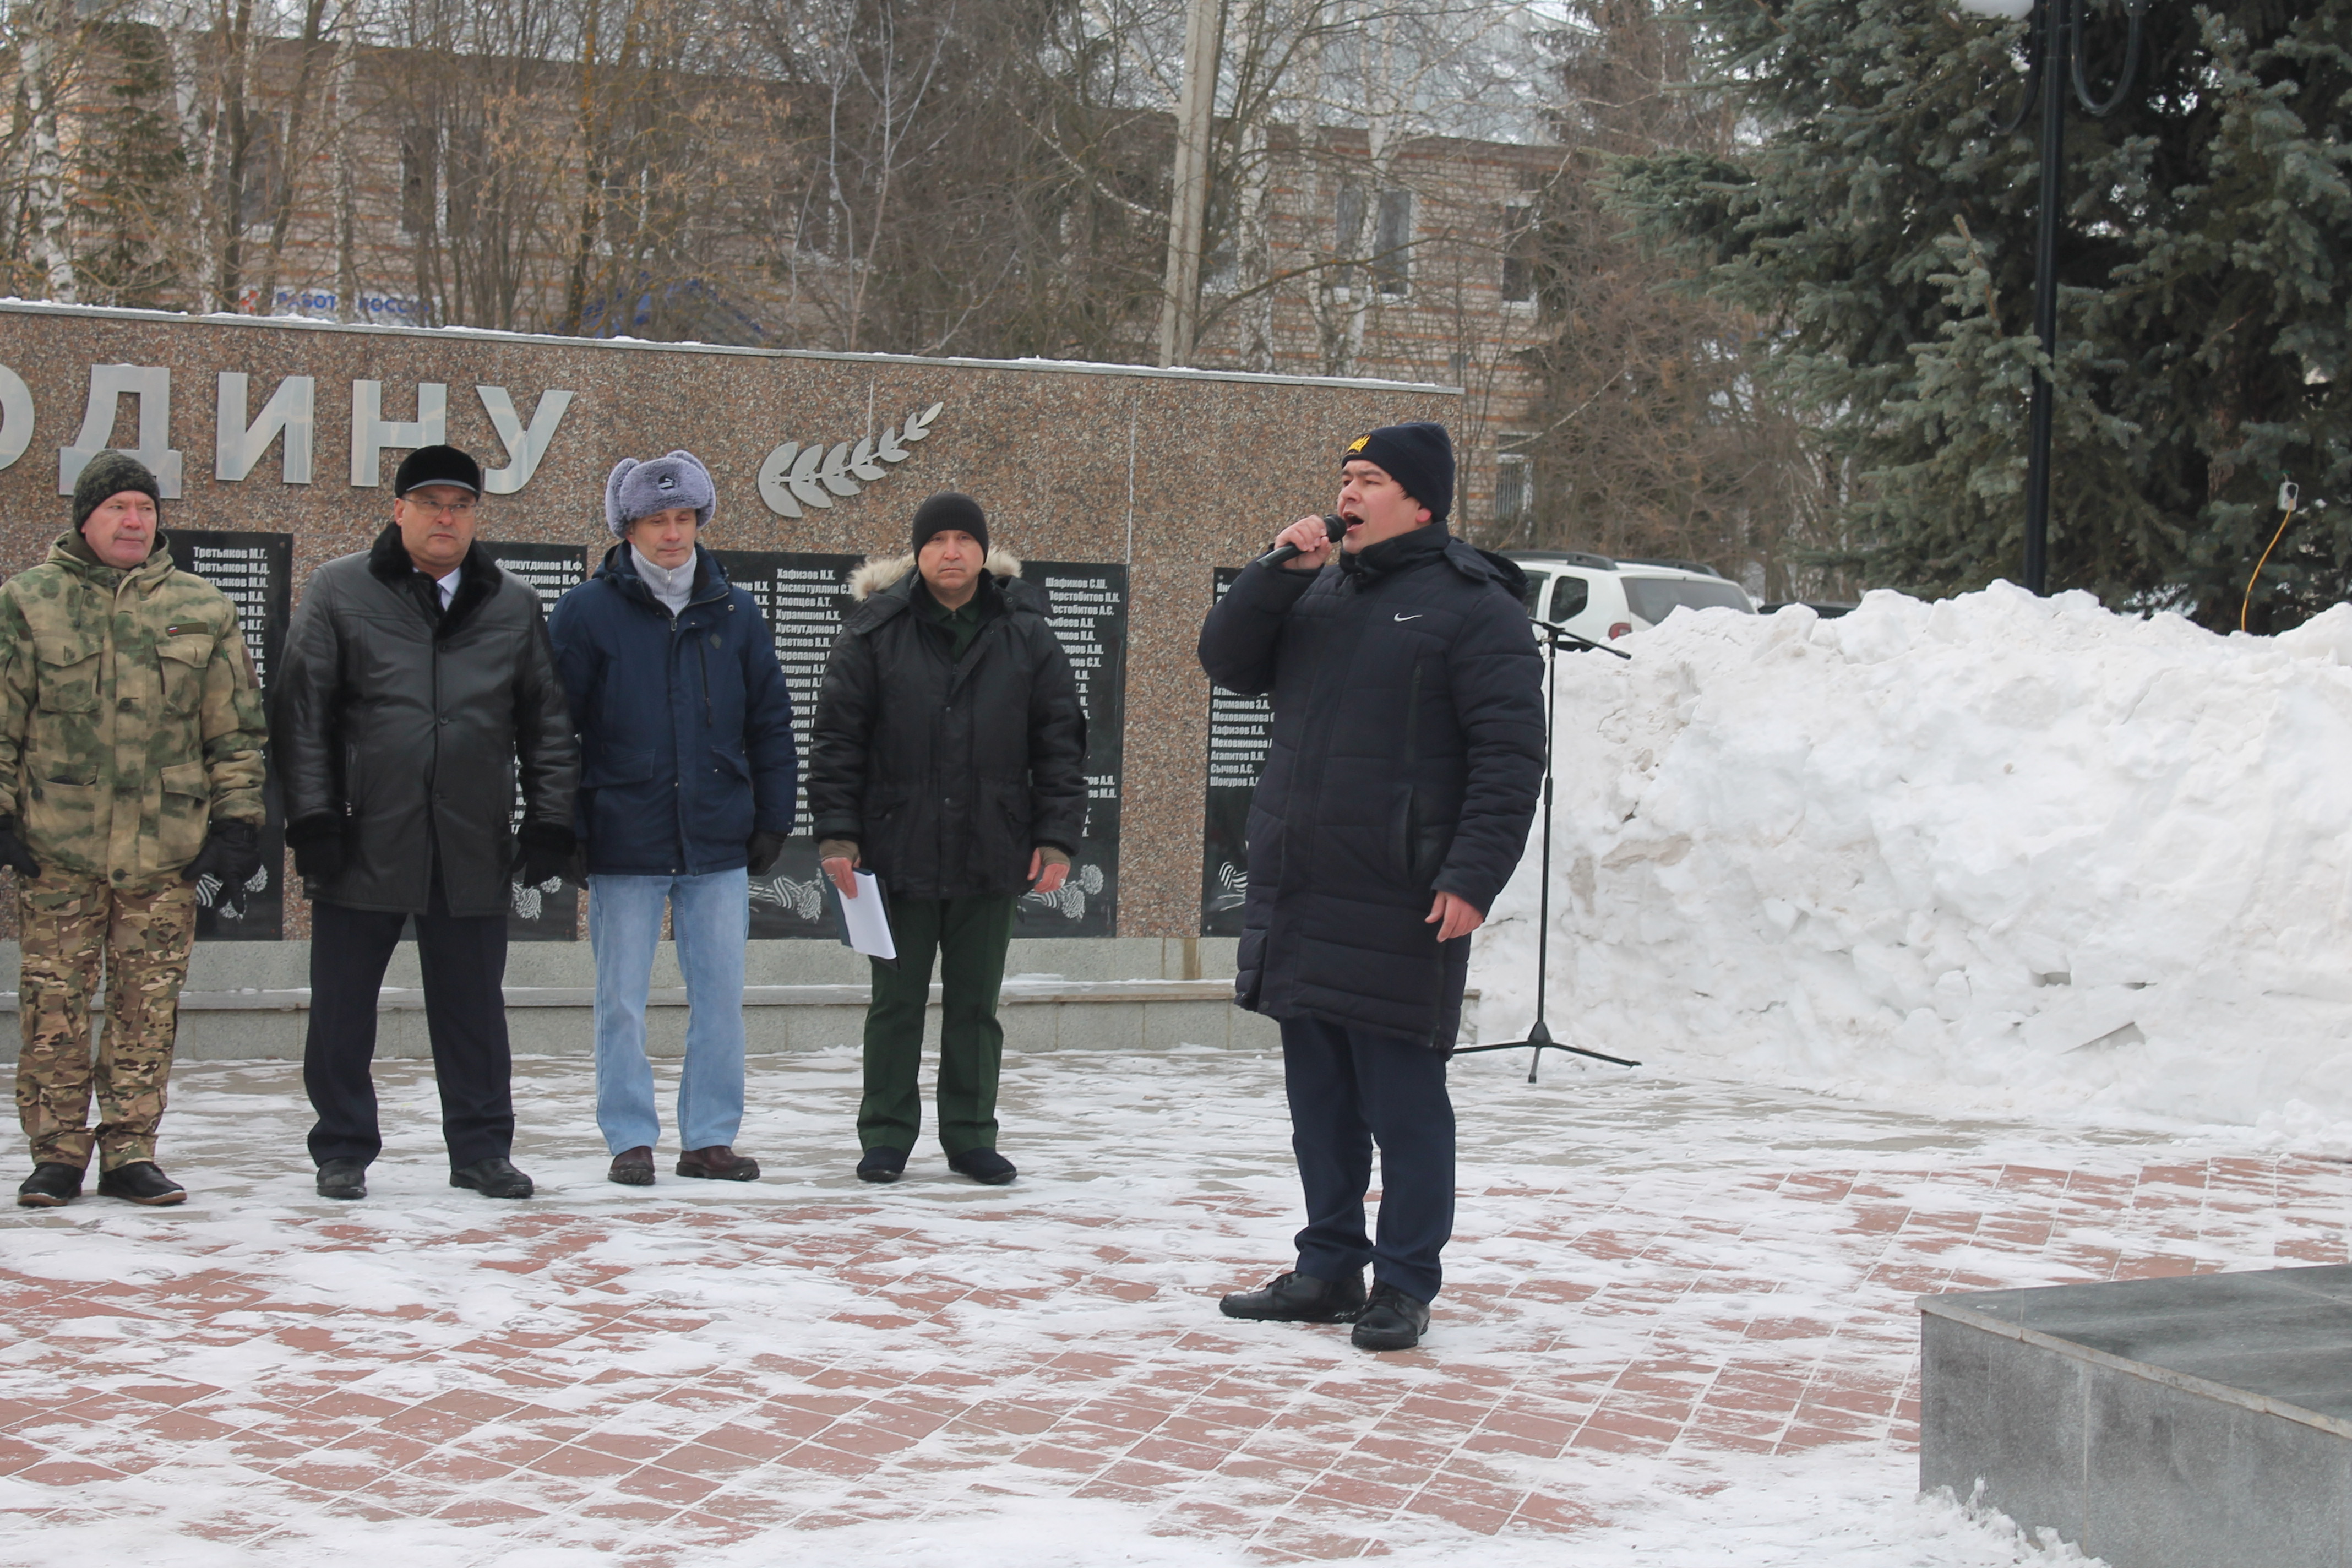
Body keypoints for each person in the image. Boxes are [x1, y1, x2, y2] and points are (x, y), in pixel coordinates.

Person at [1196, 421, 1544, 1352]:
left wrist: (1473, 874)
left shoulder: (1475, 607)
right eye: (1346, 476)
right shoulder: (1318, 586)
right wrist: (1274, 572)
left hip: (1401, 895)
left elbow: (1509, 759)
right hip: (1303, 886)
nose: (1348, 492)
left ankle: (1403, 1282)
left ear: (1422, 503)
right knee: (1320, 1105)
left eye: (1372, 479)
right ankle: (1327, 1268)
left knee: (1403, 1104)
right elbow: (1227, 662)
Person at [272, 444, 579, 1202]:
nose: (447, 518)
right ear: (398, 510)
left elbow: (545, 721)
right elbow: (301, 713)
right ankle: (342, 1146)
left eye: (462, 505)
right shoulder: (342, 589)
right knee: (343, 1007)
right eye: (432, 504)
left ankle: (481, 1149)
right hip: (364, 834)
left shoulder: (511, 602)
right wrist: (314, 818)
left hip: (469, 839)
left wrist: (549, 820)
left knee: (473, 1009)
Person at [2, 453, 268, 1208]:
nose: (133, 521)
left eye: (145, 509)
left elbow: (235, 730)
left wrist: (237, 821)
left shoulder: (202, 608)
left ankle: (129, 1151)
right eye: (118, 507)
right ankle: (57, 1154)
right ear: (85, 519)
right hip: (60, 851)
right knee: (53, 1007)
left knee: (145, 1009)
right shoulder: (28, 602)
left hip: (164, 855)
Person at [808, 492, 1086, 1186]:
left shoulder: (1027, 632)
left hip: (991, 849)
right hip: (895, 849)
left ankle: (970, 1136)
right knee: (896, 1006)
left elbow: (1060, 743)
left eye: (965, 539)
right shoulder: (874, 631)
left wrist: (1056, 839)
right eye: (937, 540)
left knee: (974, 1007)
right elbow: (837, 740)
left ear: (984, 552)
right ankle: (886, 1135)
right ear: (919, 552)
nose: (952, 552)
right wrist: (838, 834)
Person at [549, 451, 798, 1187]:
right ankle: (630, 1137)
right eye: (656, 520)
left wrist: (773, 817)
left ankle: (709, 1138)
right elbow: (554, 728)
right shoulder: (586, 611)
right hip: (623, 833)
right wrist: (564, 823)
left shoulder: (736, 611)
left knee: (720, 999)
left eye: (683, 518)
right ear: (628, 527)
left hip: (716, 835)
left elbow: (770, 721)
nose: (672, 533)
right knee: (621, 1001)